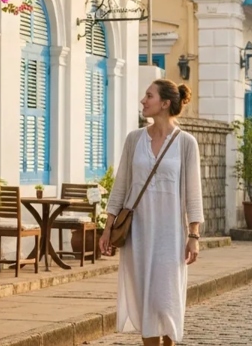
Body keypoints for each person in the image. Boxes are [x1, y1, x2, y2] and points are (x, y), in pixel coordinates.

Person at [99, 79, 204, 346]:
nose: (143, 101)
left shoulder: (186, 143)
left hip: (171, 234)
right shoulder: (134, 139)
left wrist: (194, 235)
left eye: (149, 96)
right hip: (139, 233)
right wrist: (108, 227)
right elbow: (120, 186)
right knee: (145, 297)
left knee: (166, 300)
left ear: (165, 103)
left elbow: (193, 192)